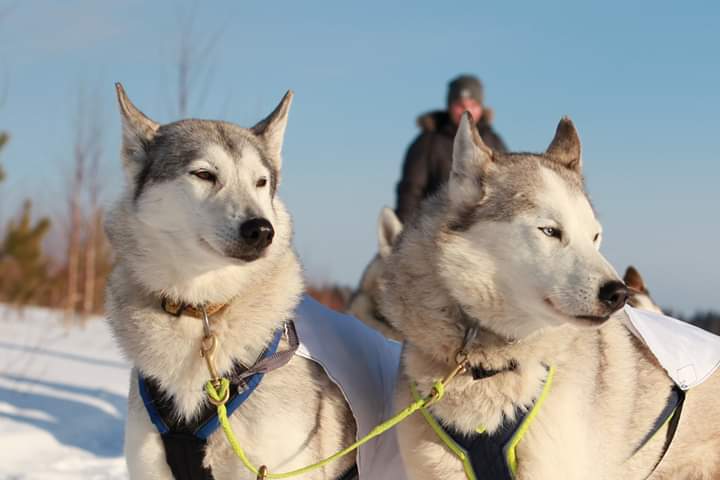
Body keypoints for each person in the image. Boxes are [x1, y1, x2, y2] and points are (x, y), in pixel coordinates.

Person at [395, 74, 507, 222]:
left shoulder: (494, 141)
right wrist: (403, 229)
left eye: (473, 105)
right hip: (435, 225)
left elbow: (505, 187)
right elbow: (410, 191)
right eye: (460, 106)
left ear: (481, 108)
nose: (467, 111)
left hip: (480, 227)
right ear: (450, 106)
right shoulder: (427, 142)